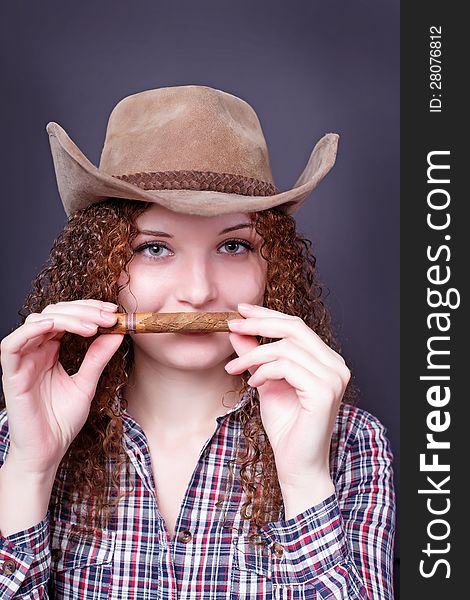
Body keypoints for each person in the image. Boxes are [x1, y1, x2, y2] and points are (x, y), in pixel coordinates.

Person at [0, 85, 395, 599]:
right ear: (101, 265)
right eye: (154, 249)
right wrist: (31, 470)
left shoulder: (352, 444)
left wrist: (304, 481)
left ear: (274, 267)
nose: (198, 291)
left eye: (233, 246)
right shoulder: (16, 440)